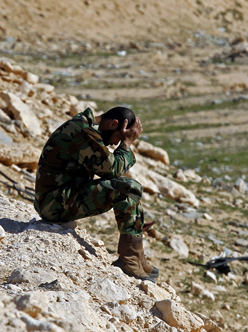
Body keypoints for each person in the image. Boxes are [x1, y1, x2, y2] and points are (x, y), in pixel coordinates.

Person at [34, 107, 158, 282]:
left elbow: (107, 167)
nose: (115, 144)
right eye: (118, 138)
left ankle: (136, 256)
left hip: (63, 196)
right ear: (113, 124)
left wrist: (124, 140)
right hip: (52, 204)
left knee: (129, 189)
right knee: (127, 188)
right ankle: (129, 259)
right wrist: (127, 143)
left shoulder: (87, 128)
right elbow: (112, 169)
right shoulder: (83, 132)